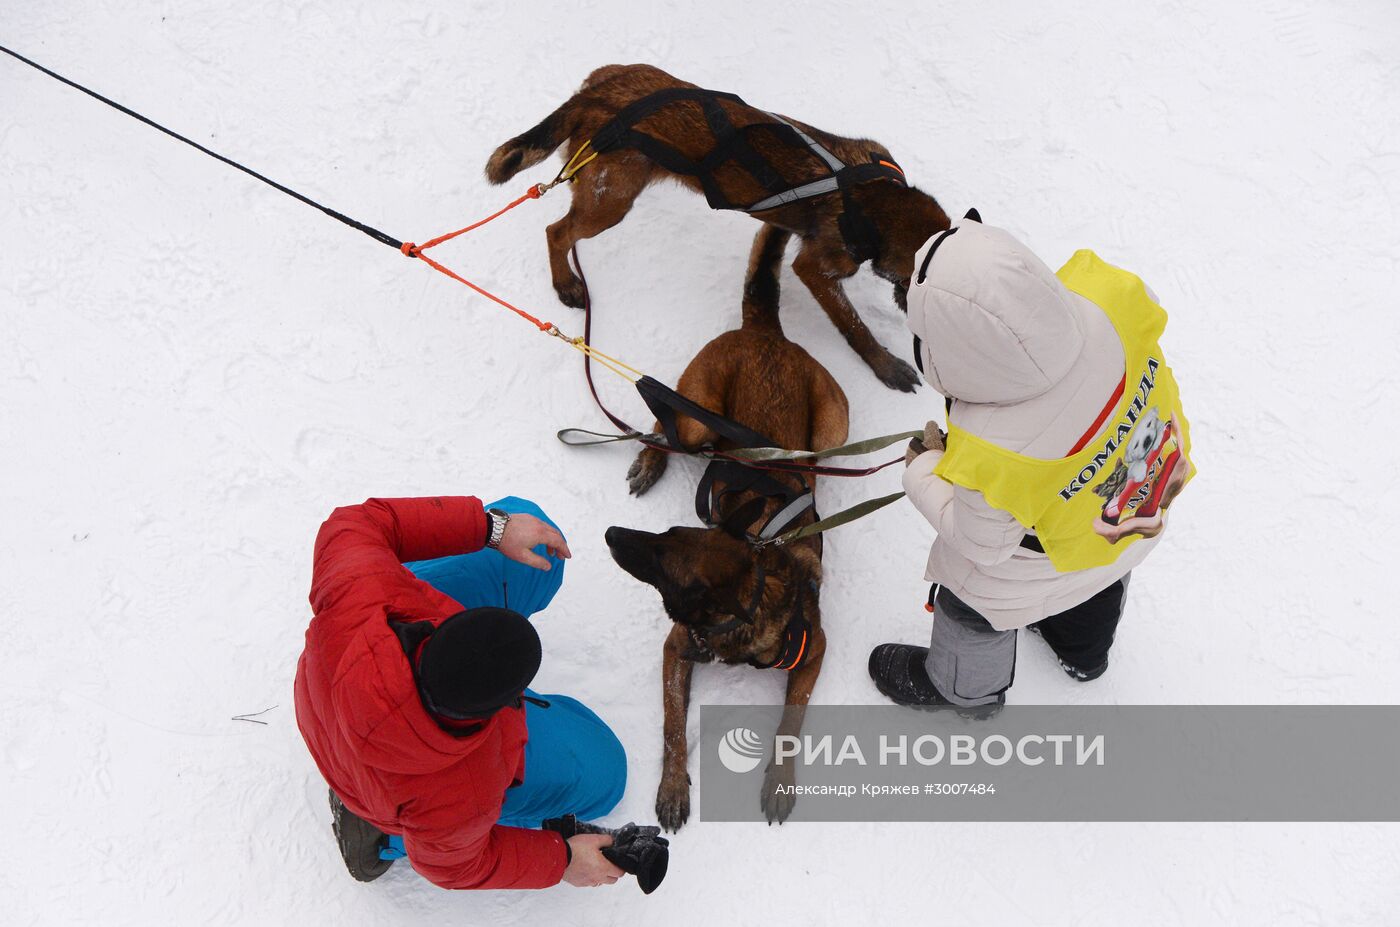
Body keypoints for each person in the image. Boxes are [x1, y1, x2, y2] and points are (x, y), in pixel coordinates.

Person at [869, 214, 1193, 711]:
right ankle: (1084, 654)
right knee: (1098, 573)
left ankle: (965, 690)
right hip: (1140, 502)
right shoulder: (1104, 294)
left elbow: (983, 544)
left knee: (973, 596)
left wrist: (925, 469)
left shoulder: (990, 445)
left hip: (1046, 553)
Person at [294, 494, 628, 889]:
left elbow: (356, 522)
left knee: (536, 538)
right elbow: (457, 867)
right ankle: (382, 835)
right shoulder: (464, 790)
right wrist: (565, 859)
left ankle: (499, 536)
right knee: (605, 772)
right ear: (500, 706)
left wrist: (494, 529)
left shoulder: (357, 591)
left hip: (343, 689)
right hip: (398, 785)